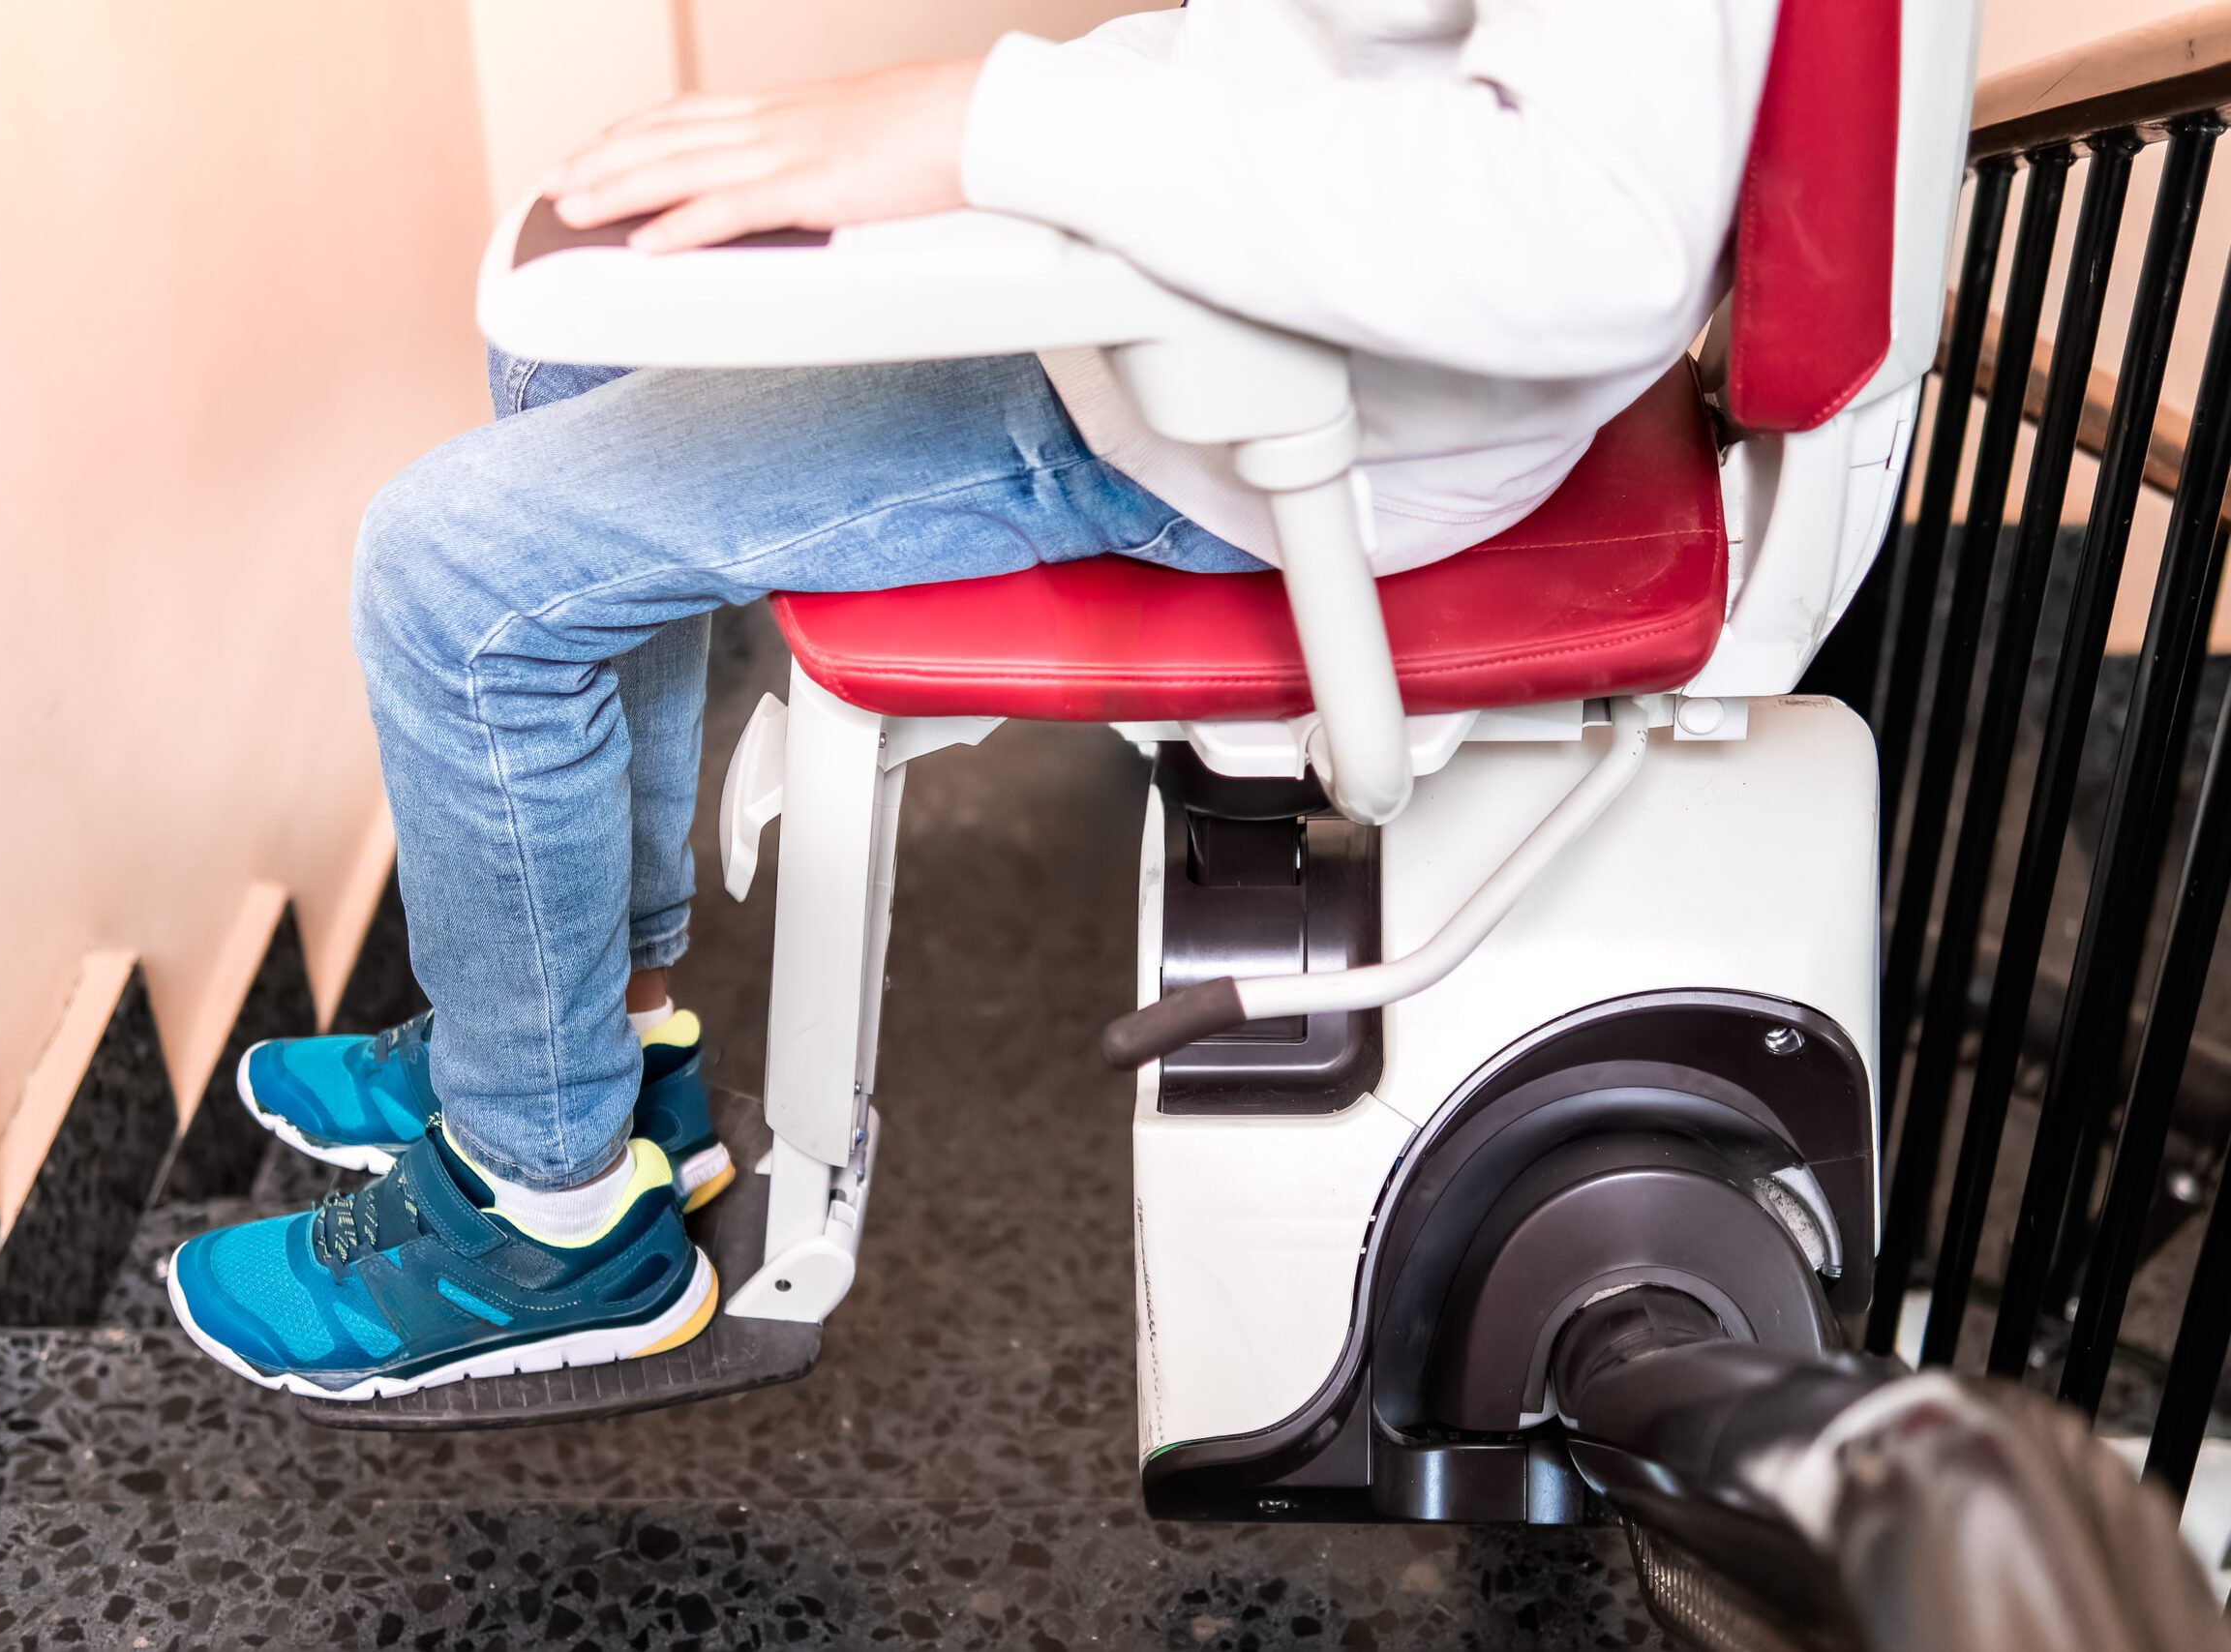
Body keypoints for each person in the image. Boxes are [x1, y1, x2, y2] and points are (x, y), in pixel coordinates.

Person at [166, 0, 1781, 1400]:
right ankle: (597, 1044)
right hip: (1215, 311)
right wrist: (953, 137)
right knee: (568, 343)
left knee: (446, 574)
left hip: (1274, 410)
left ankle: (545, 1222)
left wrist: (980, 127)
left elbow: (1593, 228)